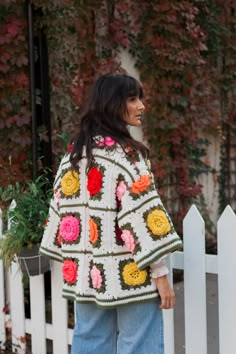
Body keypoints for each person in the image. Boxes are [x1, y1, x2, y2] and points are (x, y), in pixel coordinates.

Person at [40, 73, 182, 354]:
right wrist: (161, 275)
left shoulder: (74, 155)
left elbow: (60, 212)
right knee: (139, 344)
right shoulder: (126, 155)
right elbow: (142, 217)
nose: (141, 106)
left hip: (87, 274)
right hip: (130, 272)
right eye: (132, 99)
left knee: (90, 341)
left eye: (140, 98)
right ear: (112, 103)